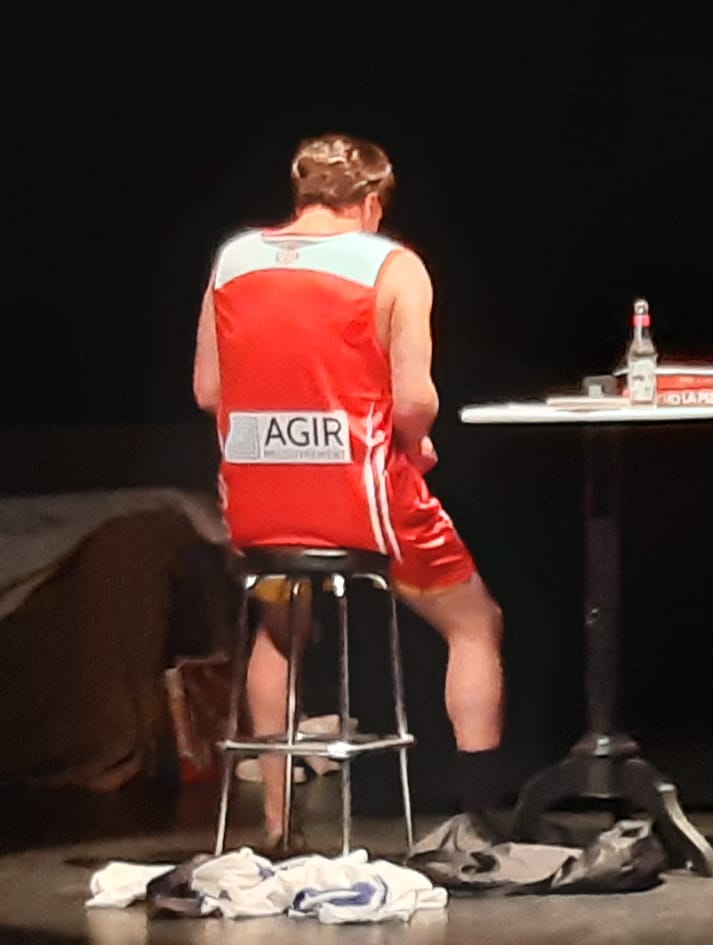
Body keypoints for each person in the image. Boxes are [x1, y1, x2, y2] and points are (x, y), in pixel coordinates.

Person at [192, 133, 510, 850]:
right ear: (369, 202)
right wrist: (415, 441)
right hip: (361, 496)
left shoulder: (233, 259)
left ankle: (278, 829)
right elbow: (415, 398)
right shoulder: (393, 265)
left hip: (258, 500)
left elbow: (210, 390)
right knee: (474, 624)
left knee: (282, 630)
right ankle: (480, 822)